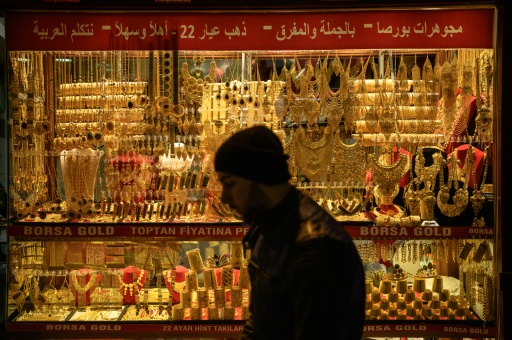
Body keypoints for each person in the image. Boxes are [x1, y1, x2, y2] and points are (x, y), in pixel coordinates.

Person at [214, 125, 365, 340]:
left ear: (258, 177)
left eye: (229, 184)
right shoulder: (268, 226)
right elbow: (259, 319)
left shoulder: (315, 249)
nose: (224, 198)